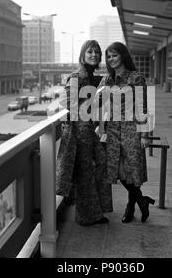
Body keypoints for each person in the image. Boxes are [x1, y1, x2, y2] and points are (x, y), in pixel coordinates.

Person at [97, 41, 155, 224]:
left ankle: (131, 207)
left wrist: (145, 134)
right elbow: (97, 103)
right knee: (118, 170)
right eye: (108, 56)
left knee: (132, 170)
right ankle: (141, 200)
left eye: (114, 55)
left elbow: (144, 107)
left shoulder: (136, 78)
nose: (111, 59)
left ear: (123, 56)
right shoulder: (107, 79)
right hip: (113, 129)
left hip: (132, 129)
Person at [56, 40, 113, 226]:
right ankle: (87, 216)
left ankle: (93, 211)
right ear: (83, 54)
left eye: (97, 52)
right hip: (80, 132)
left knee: (99, 164)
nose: (94, 55)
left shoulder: (90, 76)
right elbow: (64, 102)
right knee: (86, 171)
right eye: (90, 51)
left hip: (89, 130)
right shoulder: (77, 75)